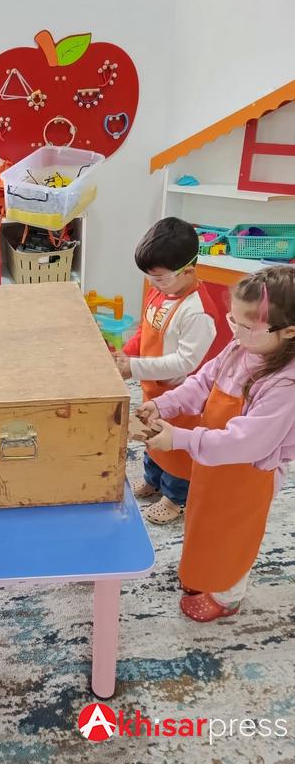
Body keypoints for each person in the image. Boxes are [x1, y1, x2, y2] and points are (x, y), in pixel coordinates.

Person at [140, 266, 295, 621]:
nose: (234, 330)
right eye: (233, 320)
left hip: (247, 476)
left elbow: (247, 442)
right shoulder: (240, 347)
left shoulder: (285, 384)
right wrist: (164, 404)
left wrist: (180, 438)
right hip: (212, 461)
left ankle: (228, 595)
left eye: (246, 325)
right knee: (203, 524)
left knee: (233, 538)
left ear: (289, 331)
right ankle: (203, 575)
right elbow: (202, 383)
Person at [115, 217, 223, 524]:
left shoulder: (198, 313)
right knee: (152, 439)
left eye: (160, 279)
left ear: (188, 270)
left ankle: (175, 498)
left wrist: (134, 367)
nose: (153, 284)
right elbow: (146, 328)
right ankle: (153, 480)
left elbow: (185, 363)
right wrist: (129, 352)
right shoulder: (161, 291)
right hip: (154, 388)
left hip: (182, 398)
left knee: (175, 449)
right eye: (150, 277)